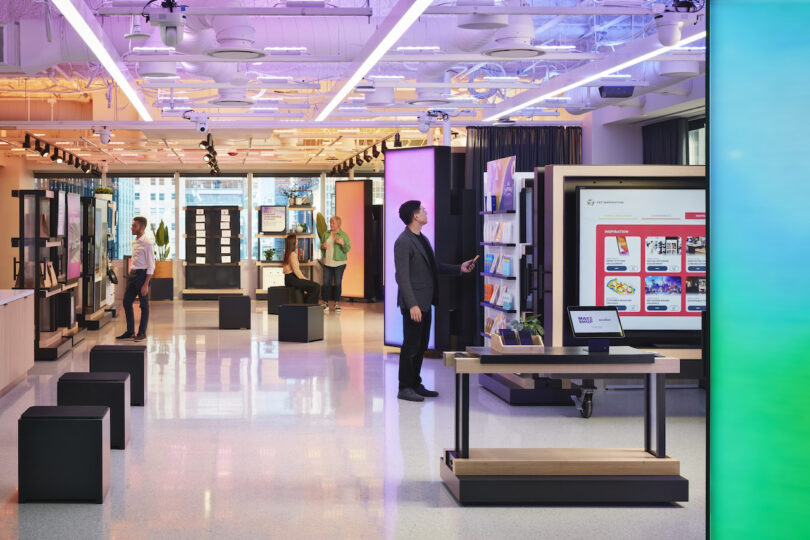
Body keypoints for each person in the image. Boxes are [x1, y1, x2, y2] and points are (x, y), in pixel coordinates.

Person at [394, 200, 476, 402]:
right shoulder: (403, 242)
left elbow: (434, 266)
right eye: (422, 210)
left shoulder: (422, 239)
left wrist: (459, 268)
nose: (426, 212)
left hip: (425, 301)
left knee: (421, 346)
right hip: (414, 304)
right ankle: (404, 387)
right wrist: (412, 304)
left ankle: (415, 383)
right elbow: (402, 277)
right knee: (411, 346)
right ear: (415, 216)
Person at [117, 216, 154, 342]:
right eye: (132, 225)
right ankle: (130, 331)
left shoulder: (148, 243)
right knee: (127, 302)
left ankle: (142, 333)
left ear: (142, 227)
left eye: (134, 226)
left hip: (142, 276)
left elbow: (151, 266)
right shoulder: (134, 241)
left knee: (144, 305)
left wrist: (145, 284)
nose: (131, 228)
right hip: (132, 275)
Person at [320, 216, 351, 312]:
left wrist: (342, 244)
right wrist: (322, 246)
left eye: (333, 223)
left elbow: (348, 249)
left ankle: (337, 303)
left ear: (338, 224)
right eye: (330, 223)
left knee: (337, 284)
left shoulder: (343, 235)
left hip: (339, 264)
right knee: (326, 284)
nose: (331, 225)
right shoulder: (326, 234)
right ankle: (325, 303)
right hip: (327, 263)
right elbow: (321, 246)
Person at [283, 234, 321, 304]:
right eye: (296, 239)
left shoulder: (286, 253)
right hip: (292, 279)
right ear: (293, 242)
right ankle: (309, 307)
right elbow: (296, 271)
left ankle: (306, 304)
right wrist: (304, 278)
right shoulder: (292, 254)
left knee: (311, 287)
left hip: (288, 279)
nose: (297, 241)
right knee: (316, 286)